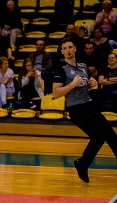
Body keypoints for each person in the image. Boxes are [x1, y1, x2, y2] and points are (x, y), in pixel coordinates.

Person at [52, 38, 117, 183]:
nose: (68, 50)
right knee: (102, 135)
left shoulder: (83, 66)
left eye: (70, 47)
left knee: (106, 134)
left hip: (89, 105)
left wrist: (90, 83)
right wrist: (72, 84)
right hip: (76, 109)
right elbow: (56, 93)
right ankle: (82, 163)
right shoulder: (60, 70)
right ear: (62, 51)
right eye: (65, 48)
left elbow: (83, 87)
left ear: (75, 49)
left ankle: (82, 163)